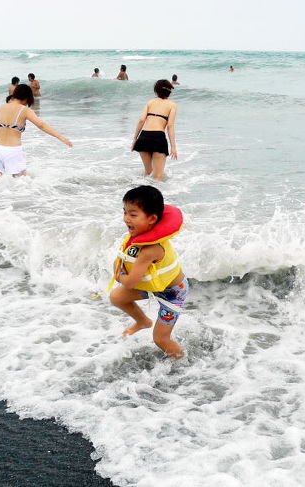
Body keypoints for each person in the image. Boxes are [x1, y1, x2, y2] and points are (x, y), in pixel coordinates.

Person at [109, 185, 188, 358]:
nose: (126, 219)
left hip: (173, 292)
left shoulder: (151, 249)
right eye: (125, 212)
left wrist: (117, 273)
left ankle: (181, 361)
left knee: (160, 339)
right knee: (116, 297)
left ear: (152, 219)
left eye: (133, 214)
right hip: (155, 285)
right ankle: (143, 321)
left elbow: (129, 281)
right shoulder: (139, 235)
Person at [0, 84, 72, 178]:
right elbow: (41, 125)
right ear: (27, 97)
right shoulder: (25, 110)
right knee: (20, 184)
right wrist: (61, 137)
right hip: (13, 151)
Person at [131, 79, 178, 180]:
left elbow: (141, 120)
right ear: (169, 92)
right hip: (158, 138)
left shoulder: (150, 102)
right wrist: (173, 147)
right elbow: (170, 126)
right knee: (157, 177)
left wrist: (135, 139)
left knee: (149, 174)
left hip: (143, 137)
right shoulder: (172, 105)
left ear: (156, 91)